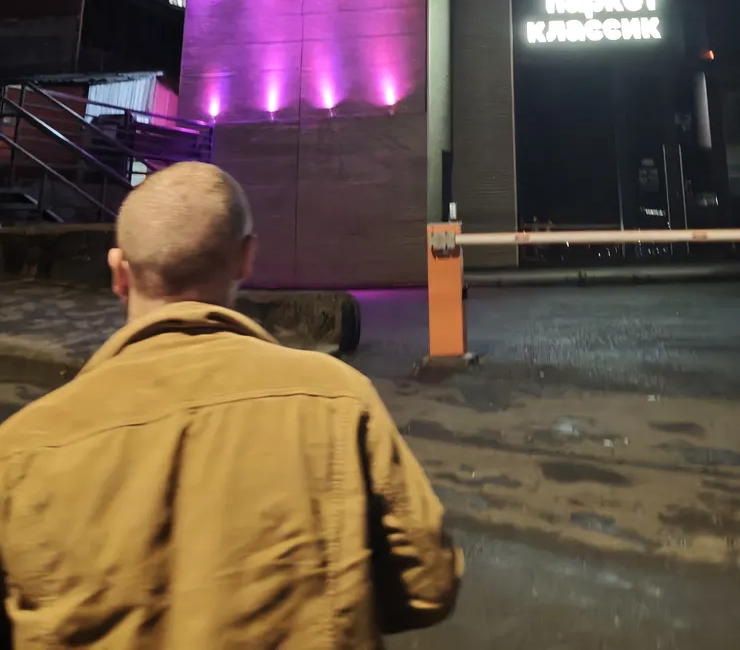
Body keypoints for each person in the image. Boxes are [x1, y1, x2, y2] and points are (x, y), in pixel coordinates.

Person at [0, 162, 462, 648]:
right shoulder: (337, 399)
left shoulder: (22, 449)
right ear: (246, 258)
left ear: (119, 272)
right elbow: (430, 585)